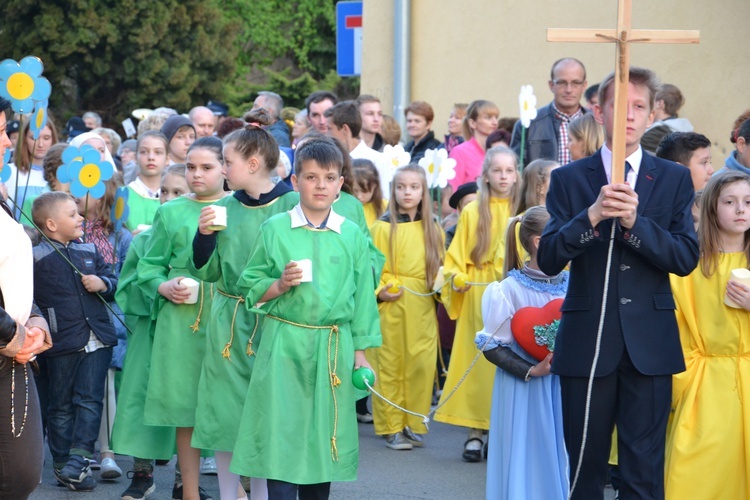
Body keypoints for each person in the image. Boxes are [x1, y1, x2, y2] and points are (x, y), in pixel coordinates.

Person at [538, 67, 699, 500]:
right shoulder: (570, 179)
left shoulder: (673, 178)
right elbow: (549, 258)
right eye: (619, 106)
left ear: (652, 115)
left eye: (639, 107)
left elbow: (685, 258)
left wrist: (635, 222)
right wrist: (590, 217)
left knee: (644, 474)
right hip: (587, 340)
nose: (628, 116)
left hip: (651, 343)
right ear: (599, 110)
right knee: (584, 471)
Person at [229, 138, 382, 499]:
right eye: (311, 177)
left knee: (322, 433)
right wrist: (279, 284)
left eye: (329, 178)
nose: (321, 185)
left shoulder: (351, 235)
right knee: (282, 431)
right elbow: (250, 286)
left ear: (341, 184)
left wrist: (360, 353)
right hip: (284, 343)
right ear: (295, 181)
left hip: (333, 346)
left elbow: (362, 300)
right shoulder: (276, 229)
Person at [190, 109, 299, 500]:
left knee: (268, 416)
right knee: (224, 415)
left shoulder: (292, 207)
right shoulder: (227, 207)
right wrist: (203, 236)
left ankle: (268, 493)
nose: (222, 169)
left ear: (253, 164)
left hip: (273, 322)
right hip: (229, 322)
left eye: (227, 162)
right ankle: (228, 493)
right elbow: (210, 270)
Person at [137, 136, 228, 500]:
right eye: (191, 167)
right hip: (181, 318)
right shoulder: (170, 211)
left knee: (226, 405)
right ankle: (189, 491)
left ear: (226, 168)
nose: (196, 175)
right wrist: (163, 287)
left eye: (207, 167)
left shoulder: (239, 208)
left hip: (225, 314)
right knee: (186, 408)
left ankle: (232, 490)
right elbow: (149, 267)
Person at [664, 170, 750, 499]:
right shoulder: (691, 267)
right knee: (698, 472)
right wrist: (684, 384)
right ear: (712, 208)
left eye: (748, 201)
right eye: (730, 202)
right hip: (706, 387)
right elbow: (678, 328)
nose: (741, 209)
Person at [477, 205, 569, 500]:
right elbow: (492, 344)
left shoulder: (572, 285)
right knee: (525, 449)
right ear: (540, 242)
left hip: (562, 385)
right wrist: (531, 369)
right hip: (524, 389)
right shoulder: (509, 290)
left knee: (559, 449)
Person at [435, 146, 519, 462]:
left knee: (508, 363)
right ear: (485, 175)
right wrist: (457, 278)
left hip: (513, 294)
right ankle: (474, 431)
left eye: (509, 170)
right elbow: (455, 257)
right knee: (478, 364)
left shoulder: (522, 209)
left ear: (517, 174)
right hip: (478, 296)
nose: (503, 176)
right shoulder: (472, 211)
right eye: (497, 170)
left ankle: (501, 431)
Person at [32, 191, 119, 492]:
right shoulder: (36, 256)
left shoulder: (90, 251)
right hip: (61, 341)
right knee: (60, 404)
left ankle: (79, 459)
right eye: (73, 215)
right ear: (52, 224)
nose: (81, 218)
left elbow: (114, 282)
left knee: (90, 399)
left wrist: (103, 283)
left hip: (98, 339)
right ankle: (61, 464)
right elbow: (29, 298)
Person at [112, 165, 186, 500]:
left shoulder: (206, 236)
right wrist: (156, 288)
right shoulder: (144, 239)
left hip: (189, 333)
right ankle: (142, 473)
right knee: (142, 398)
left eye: (177, 192)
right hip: (150, 333)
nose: (168, 199)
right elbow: (127, 287)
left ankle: (187, 478)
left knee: (187, 402)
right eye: (164, 192)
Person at [370, 165, 444, 450]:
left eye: (414, 187)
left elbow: (441, 266)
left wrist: (442, 283)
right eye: (401, 187)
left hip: (422, 305)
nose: (407, 192)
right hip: (393, 303)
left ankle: (413, 421)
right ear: (394, 189)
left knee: (420, 366)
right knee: (389, 364)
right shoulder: (382, 227)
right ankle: (391, 426)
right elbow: (371, 268)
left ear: (423, 191)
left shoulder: (433, 226)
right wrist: (381, 290)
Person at [0, 96, 52, 500]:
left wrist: (34, 319)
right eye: (0, 133)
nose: (7, 142)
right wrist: (11, 335)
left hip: (15, 353)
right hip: (7, 347)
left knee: (21, 476)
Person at [511, 58, 588, 167]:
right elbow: (517, 169)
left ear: (584, 86)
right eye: (562, 83)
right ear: (551, 85)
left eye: (575, 83)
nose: (569, 89)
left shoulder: (597, 123)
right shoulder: (529, 124)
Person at [324, 101, 390, 191]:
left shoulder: (378, 161)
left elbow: (384, 198)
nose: (326, 135)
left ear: (344, 129)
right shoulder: (329, 160)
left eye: (329, 129)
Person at [6, 116, 59, 221]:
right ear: (24, 139)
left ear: (53, 139)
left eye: (46, 138)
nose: (40, 144)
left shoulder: (60, 175)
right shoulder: (11, 172)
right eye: (34, 138)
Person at [449, 100, 500, 190]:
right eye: (488, 118)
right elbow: (452, 191)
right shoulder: (460, 152)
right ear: (472, 123)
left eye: (496, 117)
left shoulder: (498, 152)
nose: (495, 122)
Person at [126, 131, 169, 230]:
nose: (151, 157)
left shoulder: (175, 197)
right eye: (144, 152)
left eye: (158, 152)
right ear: (135, 157)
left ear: (167, 159)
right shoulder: (123, 195)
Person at [640, 83, 694, 154]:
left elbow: (630, 149)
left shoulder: (661, 132)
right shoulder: (678, 130)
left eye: (651, 100)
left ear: (660, 103)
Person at [352, 158, 387, 227]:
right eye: (355, 191)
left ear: (374, 186)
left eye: (364, 191)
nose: (359, 196)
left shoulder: (386, 206)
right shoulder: (343, 206)